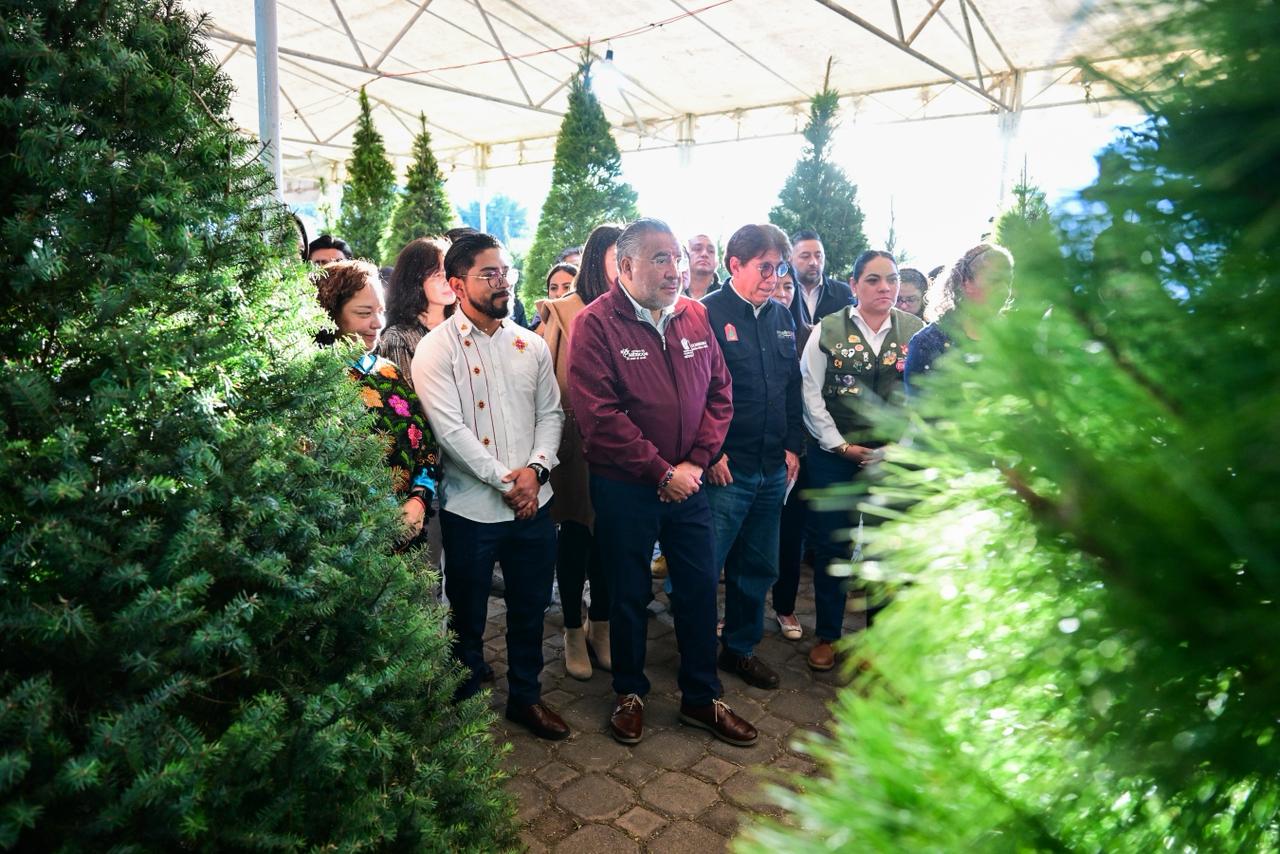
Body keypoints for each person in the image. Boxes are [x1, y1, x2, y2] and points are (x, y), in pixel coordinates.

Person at [569, 218, 757, 748]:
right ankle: (630, 692)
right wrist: (660, 472)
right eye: (660, 259)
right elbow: (600, 417)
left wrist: (695, 464)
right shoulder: (596, 324)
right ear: (624, 266)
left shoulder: (695, 315)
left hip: (690, 485)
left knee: (698, 588)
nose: (674, 269)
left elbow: (721, 393)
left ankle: (701, 697)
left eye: (676, 258)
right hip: (627, 486)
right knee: (628, 592)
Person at [412, 232, 569, 741]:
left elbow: (552, 413)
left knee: (530, 609)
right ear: (457, 284)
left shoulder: (530, 344)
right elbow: (450, 431)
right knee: (467, 613)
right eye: (489, 274)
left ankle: (526, 697)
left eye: (507, 272)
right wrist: (508, 480)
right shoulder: (436, 349)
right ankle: (461, 705)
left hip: (532, 505)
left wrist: (536, 472)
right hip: (472, 508)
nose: (503, 282)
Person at [800, 250, 924, 671]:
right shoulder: (827, 330)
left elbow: (925, 400)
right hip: (836, 457)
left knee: (884, 553)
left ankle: (878, 643)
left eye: (890, 279)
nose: (884, 288)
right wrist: (838, 445)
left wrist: (898, 449)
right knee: (834, 549)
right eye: (873, 280)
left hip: (892, 459)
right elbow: (809, 392)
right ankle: (828, 636)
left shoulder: (916, 332)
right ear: (853, 285)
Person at [701, 224, 804, 689]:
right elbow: (692, 395)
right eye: (765, 267)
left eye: (779, 267)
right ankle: (696, 653)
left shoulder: (782, 318)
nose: (773, 276)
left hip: (770, 466)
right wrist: (711, 451)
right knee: (704, 566)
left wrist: (792, 447)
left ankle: (739, 649)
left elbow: (791, 389)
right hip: (725, 467)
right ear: (734, 265)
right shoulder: (703, 315)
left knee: (757, 567)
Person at [536, 223, 621, 680]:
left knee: (613, 538)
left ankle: (601, 625)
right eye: (615, 255)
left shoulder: (634, 308)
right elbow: (547, 384)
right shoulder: (561, 311)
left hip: (624, 444)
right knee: (575, 536)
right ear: (595, 260)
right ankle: (572, 627)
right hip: (575, 444)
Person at [314, 260, 440, 549]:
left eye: (381, 311)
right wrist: (384, 514)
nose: (377, 324)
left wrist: (419, 499)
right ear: (331, 314)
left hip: (410, 531)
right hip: (347, 541)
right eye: (363, 313)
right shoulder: (314, 381)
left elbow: (426, 445)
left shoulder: (388, 372)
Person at [906, 244, 1014, 391]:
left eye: (1008, 281)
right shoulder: (928, 343)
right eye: (994, 280)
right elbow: (920, 409)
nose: (1004, 290)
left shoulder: (1013, 339)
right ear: (965, 282)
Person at [377, 236, 455, 383]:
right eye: (437, 275)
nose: (448, 281)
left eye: (450, 272)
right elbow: (408, 400)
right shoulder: (398, 339)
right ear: (415, 281)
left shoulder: (465, 326)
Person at [788, 229, 854, 347]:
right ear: (790, 259)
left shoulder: (842, 292)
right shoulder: (783, 293)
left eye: (818, 256)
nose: (813, 262)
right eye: (805, 256)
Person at [685, 233, 721, 299]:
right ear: (685, 256)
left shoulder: (728, 296)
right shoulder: (672, 293)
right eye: (698, 249)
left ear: (717, 262)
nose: (704, 254)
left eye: (711, 251)